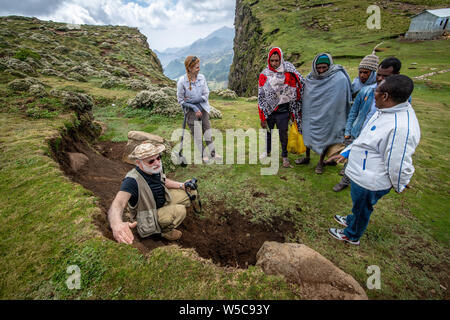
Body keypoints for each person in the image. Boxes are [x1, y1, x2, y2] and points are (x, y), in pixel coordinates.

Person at [327, 75, 420, 245]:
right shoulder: (385, 111)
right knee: (358, 204)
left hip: (371, 180)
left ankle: (352, 234)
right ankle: (351, 219)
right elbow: (365, 138)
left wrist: (400, 182)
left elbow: (397, 162)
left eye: (376, 90)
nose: (372, 93)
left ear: (385, 96)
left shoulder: (401, 127)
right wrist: (346, 153)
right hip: (362, 171)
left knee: (363, 207)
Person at [333, 57, 403, 192]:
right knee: (350, 160)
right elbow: (353, 112)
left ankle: (359, 184)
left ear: (396, 76)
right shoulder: (366, 91)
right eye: (379, 74)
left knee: (367, 164)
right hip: (357, 133)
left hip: (376, 139)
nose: (380, 79)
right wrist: (348, 131)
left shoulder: (400, 99)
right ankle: (345, 181)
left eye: (386, 76)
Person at [108, 142, 197, 244]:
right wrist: (116, 224)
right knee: (180, 210)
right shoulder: (131, 181)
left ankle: (167, 215)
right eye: (151, 161)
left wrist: (182, 185)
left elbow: (163, 180)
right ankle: (165, 232)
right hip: (149, 216)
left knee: (191, 192)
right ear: (138, 163)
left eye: (158, 158)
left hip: (161, 201)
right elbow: (118, 203)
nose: (157, 162)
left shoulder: (154, 169)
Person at [295, 53, 352, 174]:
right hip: (310, 113)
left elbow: (342, 97)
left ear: (329, 66)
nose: (321, 71)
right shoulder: (311, 78)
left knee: (324, 136)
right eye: (318, 67)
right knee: (307, 133)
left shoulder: (339, 78)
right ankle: (307, 157)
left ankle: (320, 162)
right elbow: (307, 95)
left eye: (324, 68)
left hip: (329, 115)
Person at [258, 47, 305, 168]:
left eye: (277, 60)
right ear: (269, 60)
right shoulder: (264, 75)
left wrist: (292, 111)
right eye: (272, 60)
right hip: (269, 111)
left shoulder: (288, 73)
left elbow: (293, 90)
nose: (274, 63)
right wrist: (262, 116)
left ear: (281, 60)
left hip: (283, 111)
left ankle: (284, 156)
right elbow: (261, 97)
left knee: (283, 135)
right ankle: (267, 151)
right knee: (268, 133)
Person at [177, 56, 220, 163]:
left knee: (207, 131)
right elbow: (180, 100)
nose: (199, 69)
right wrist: (193, 106)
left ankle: (213, 153)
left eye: (199, 67)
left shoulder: (202, 78)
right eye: (196, 67)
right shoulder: (182, 81)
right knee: (197, 134)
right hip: (191, 112)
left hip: (203, 109)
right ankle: (203, 154)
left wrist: (194, 100)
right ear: (190, 68)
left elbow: (206, 94)